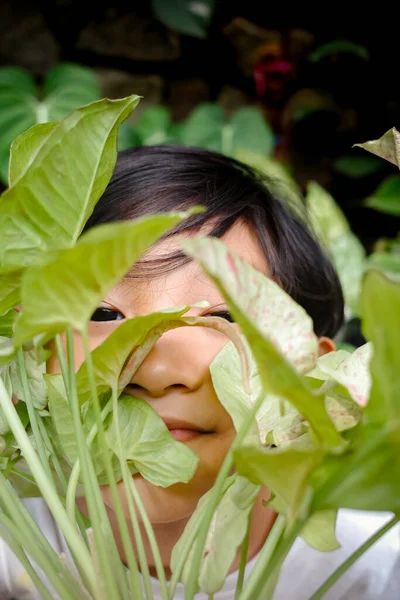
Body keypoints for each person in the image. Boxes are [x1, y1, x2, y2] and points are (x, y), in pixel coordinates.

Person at [0, 146, 398, 599]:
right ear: (24, 355)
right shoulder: (11, 544)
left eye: (226, 316)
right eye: (103, 313)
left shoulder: (376, 570)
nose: (158, 370)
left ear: (310, 375)